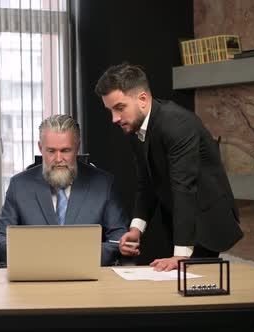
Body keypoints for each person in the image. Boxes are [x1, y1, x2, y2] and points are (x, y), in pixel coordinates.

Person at [94, 63, 243, 271]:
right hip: (178, 222)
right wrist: (136, 229)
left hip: (206, 223)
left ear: (143, 99)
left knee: (196, 294)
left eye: (119, 108)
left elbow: (184, 187)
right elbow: (146, 182)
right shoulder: (134, 124)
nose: (115, 118)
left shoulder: (177, 124)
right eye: (110, 110)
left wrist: (180, 256)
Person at [0, 114, 128, 266]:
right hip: (34, 277)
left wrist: (73, 256)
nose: (58, 158)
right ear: (40, 148)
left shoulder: (103, 184)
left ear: (77, 147)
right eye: (51, 151)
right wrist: (32, 254)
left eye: (66, 150)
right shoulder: (19, 185)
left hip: (87, 277)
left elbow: (118, 239)